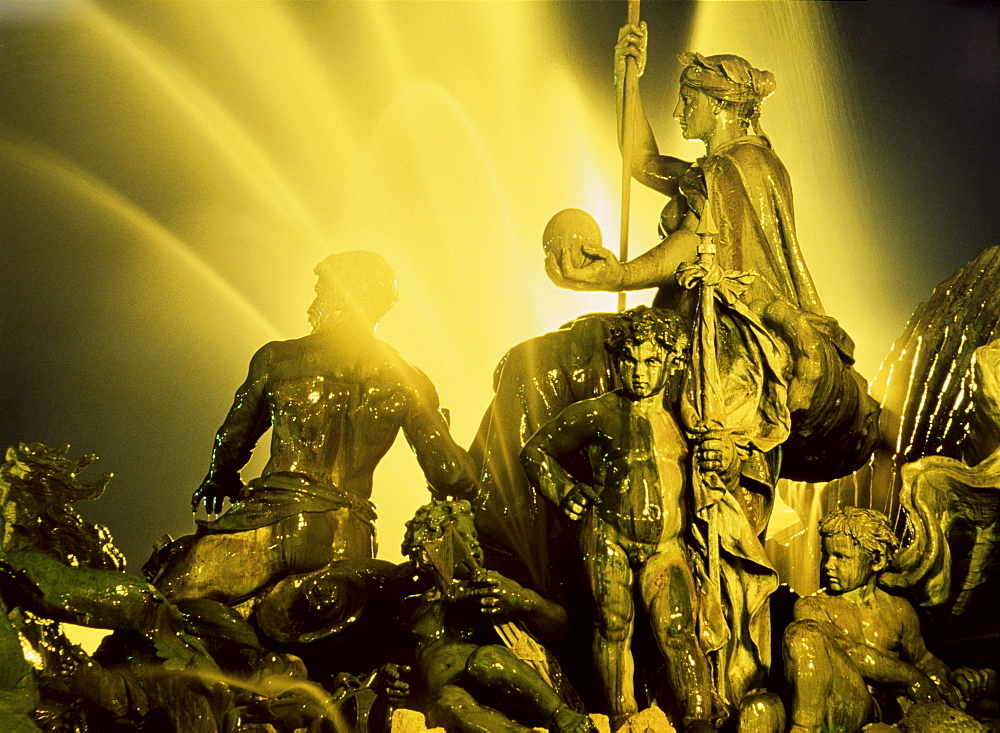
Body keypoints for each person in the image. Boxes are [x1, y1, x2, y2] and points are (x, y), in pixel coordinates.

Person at [154, 251, 478, 604]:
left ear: (342, 295)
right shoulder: (408, 378)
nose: (314, 304)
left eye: (321, 291)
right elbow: (451, 474)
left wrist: (221, 478)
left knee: (160, 603)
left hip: (271, 522)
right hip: (352, 537)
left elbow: (232, 438)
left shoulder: (278, 358)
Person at [520, 306, 761, 732]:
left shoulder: (690, 421)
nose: (638, 371)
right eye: (629, 359)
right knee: (613, 624)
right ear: (616, 361)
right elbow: (535, 451)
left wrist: (724, 460)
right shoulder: (597, 412)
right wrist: (565, 491)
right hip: (607, 534)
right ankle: (623, 717)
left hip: (668, 543)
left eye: (651, 361)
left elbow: (721, 475)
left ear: (672, 361)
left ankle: (699, 717)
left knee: (679, 628)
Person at [547, 24, 823, 317]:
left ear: (718, 104)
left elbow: (695, 242)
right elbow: (640, 161)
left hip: (726, 318)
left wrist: (619, 277)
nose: (678, 111)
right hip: (692, 313)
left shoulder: (743, 163)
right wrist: (626, 78)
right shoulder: (717, 168)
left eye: (688, 100)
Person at [399, 500, 596, 733]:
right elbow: (403, 665)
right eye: (461, 537)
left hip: (505, 688)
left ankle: (561, 714)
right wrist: (393, 680)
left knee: (486, 659)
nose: (473, 545)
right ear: (426, 551)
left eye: (474, 536)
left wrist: (523, 600)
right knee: (447, 701)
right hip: (455, 701)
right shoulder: (410, 609)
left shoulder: (493, 586)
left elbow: (560, 626)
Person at [783, 506, 984, 732]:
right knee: (802, 634)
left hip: (883, 711)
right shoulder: (813, 606)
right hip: (841, 703)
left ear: (876, 561)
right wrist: (910, 677)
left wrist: (951, 678)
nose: (829, 565)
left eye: (840, 557)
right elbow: (851, 654)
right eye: (826, 555)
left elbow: (923, 660)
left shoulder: (898, 609)